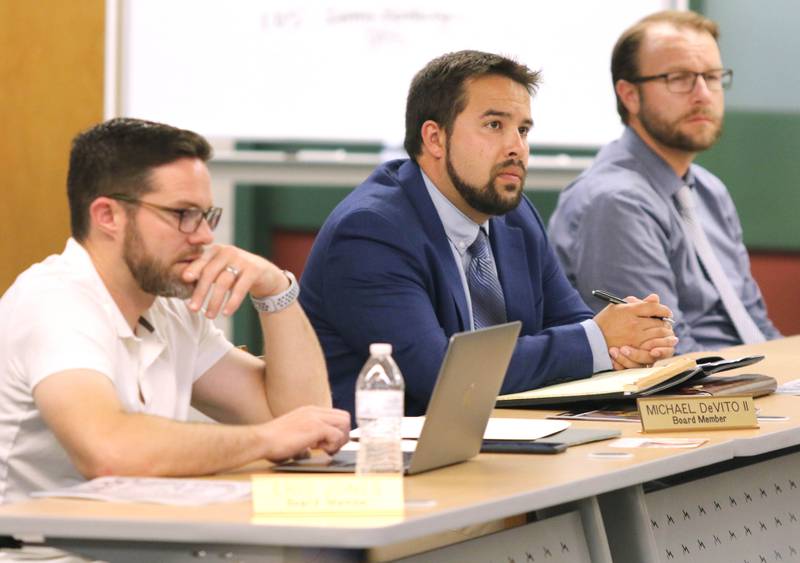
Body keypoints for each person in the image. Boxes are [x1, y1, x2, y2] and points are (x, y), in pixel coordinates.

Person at [300, 50, 677, 418]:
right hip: (381, 461)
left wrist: (626, 342)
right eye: (495, 125)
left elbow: (572, 324)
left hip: (500, 443)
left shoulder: (513, 216)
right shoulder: (371, 232)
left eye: (523, 130)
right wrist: (597, 340)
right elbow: (443, 375)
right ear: (435, 138)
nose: (517, 148)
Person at [0, 118, 350, 504]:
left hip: (142, 539)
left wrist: (274, 289)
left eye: (205, 215)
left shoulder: (168, 309)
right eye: (182, 214)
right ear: (107, 216)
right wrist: (266, 440)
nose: (203, 236)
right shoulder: (54, 302)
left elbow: (305, 420)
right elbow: (108, 453)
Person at [549, 10, 781, 353]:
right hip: (692, 397)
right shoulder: (617, 201)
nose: (703, 94)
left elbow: (755, 323)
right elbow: (667, 355)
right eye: (679, 77)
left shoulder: (708, 190)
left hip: (750, 381)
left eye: (713, 76)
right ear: (629, 95)